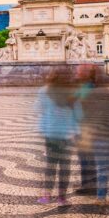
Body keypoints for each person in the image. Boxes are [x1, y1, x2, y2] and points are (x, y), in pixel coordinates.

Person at [35, 70, 81, 205]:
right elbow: (77, 115)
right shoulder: (72, 93)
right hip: (66, 135)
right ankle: (62, 198)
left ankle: (46, 196)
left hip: (51, 134)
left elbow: (38, 109)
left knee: (51, 165)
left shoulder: (44, 91)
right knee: (65, 167)